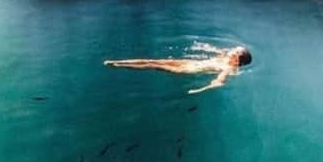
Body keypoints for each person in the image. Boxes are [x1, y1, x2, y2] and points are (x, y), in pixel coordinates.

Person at [103, 43, 252, 94]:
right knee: (152, 60)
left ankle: (118, 66)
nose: (232, 49)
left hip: (188, 70)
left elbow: (219, 83)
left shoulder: (228, 68)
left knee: (152, 66)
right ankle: (117, 61)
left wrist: (199, 90)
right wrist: (206, 47)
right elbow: (219, 51)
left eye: (235, 50)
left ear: (236, 59)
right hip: (188, 62)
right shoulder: (225, 57)